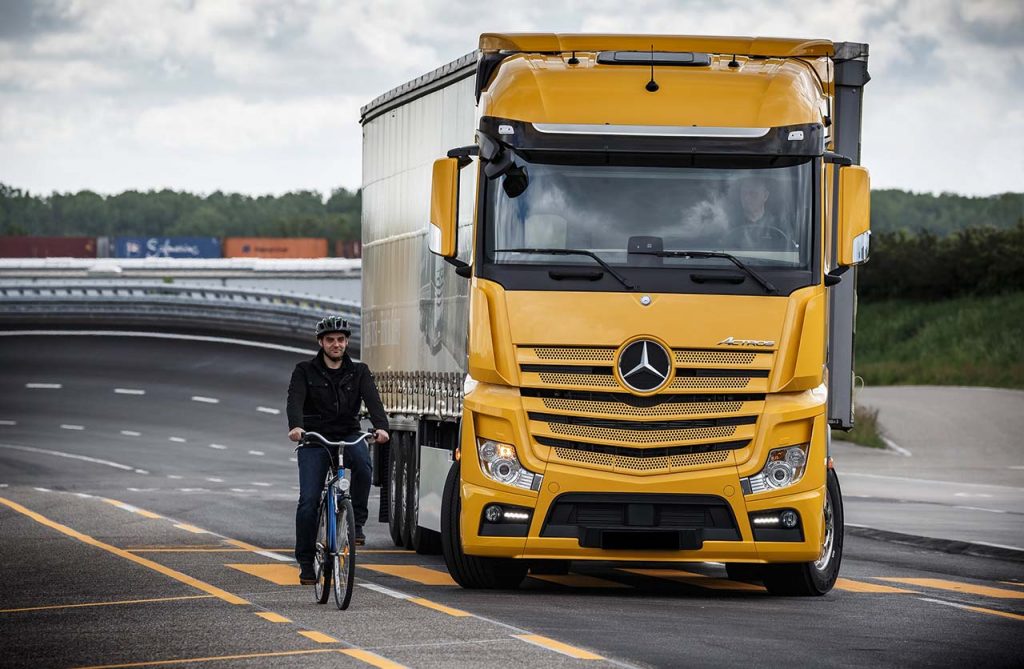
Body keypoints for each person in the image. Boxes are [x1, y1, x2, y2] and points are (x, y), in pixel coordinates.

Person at [287, 315, 389, 585]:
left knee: (364, 466)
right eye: (330, 340)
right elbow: (294, 401)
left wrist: (381, 427)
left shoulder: (359, 372)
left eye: (341, 340)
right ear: (321, 342)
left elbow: (373, 401)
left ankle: (357, 524)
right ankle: (307, 562)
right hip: (314, 439)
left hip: (347, 434)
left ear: (346, 343)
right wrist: (296, 426)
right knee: (309, 501)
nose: (336, 344)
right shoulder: (304, 371)